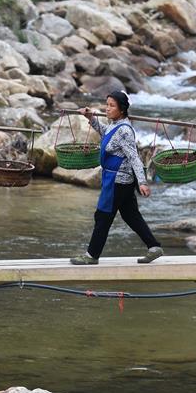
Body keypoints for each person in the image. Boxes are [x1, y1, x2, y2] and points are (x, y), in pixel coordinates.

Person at [70, 90, 164, 265]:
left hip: (118, 180)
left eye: (112, 106)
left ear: (122, 109)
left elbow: (134, 157)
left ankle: (92, 255)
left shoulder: (125, 131)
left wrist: (142, 182)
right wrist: (91, 118)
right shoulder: (115, 125)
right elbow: (106, 132)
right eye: (107, 105)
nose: (107, 108)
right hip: (116, 179)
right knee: (130, 215)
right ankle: (153, 247)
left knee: (103, 215)